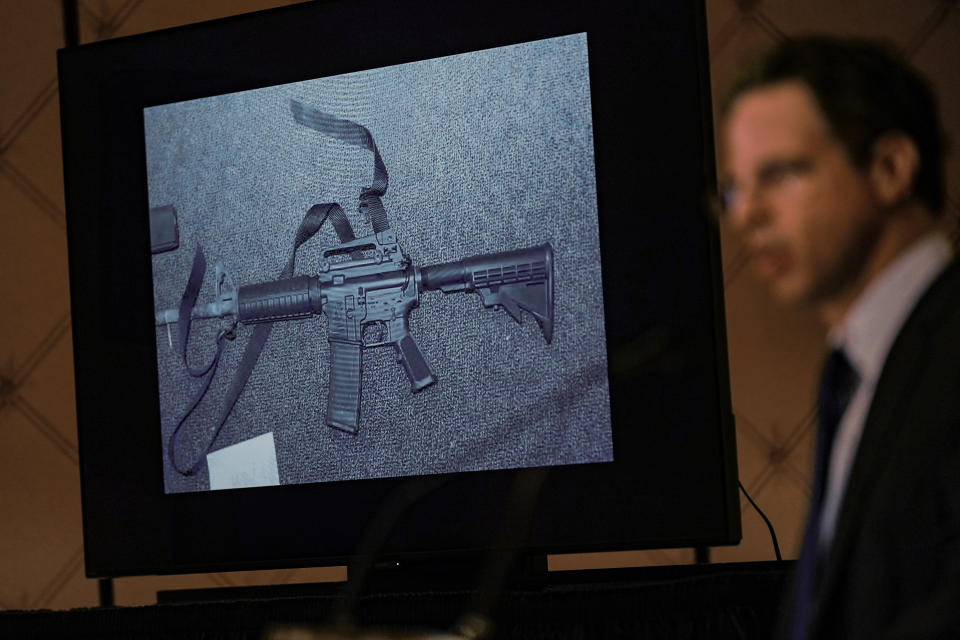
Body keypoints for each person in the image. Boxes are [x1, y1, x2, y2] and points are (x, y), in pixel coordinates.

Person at [718, 37, 960, 639]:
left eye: (779, 174)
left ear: (890, 169)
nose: (747, 214)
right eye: (735, 189)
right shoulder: (858, 366)